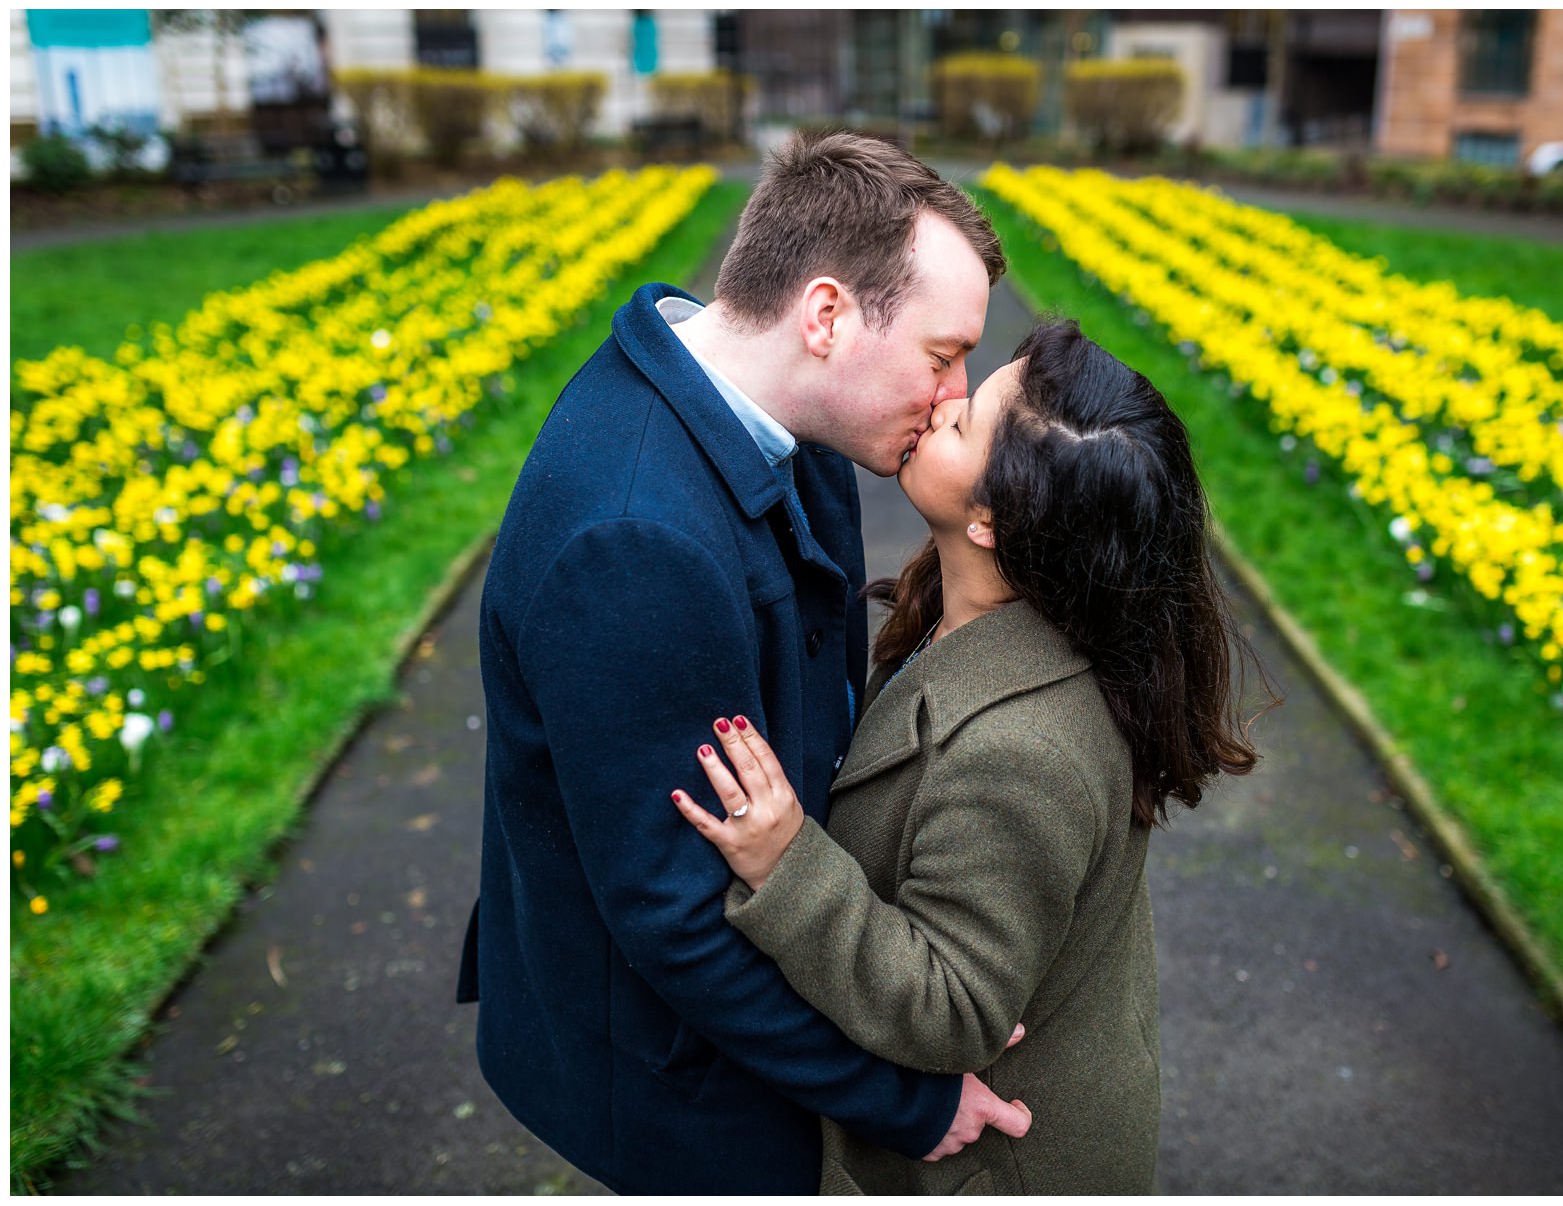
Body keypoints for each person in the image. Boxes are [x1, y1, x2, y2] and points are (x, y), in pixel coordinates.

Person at [456, 130, 1035, 1194]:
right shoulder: (635, 544)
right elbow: (677, 917)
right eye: (943, 353)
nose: (955, 393)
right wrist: (905, 1096)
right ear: (825, 316)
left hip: (764, 985)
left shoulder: (772, 408)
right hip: (685, 1077)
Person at [671, 320, 1274, 1194]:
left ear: (990, 521)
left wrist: (787, 864)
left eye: (964, 423)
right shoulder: (986, 616)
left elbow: (954, 1008)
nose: (943, 399)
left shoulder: (1021, 753)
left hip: (996, 1167)